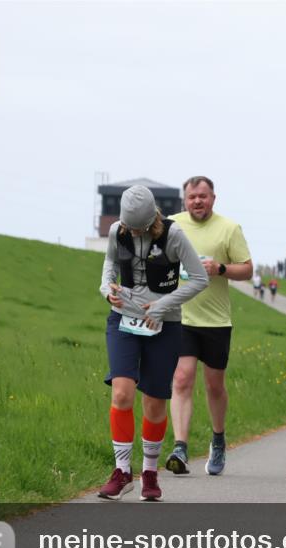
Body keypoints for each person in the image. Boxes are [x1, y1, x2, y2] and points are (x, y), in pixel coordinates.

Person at [97, 185, 209, 501]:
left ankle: (149, 472)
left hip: (165, 325)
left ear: (151, 219)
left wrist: (162, 306)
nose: (131, 232)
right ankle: (121, 472)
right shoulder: (117, 231)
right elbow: (108, 265)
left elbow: (199, 278)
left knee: (155, 401)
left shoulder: (173, 235)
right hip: (123, 320)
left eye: (138, 228)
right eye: (128, 227)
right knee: (121, 392)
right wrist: (107, 290)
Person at [165, 176, 253, 477]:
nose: (197, 202)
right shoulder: (171, 226)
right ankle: (180, 447)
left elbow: (248, 269)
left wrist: (221, 269)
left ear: (213, 198)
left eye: (203, 196)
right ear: (184, 200)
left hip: (216, 321)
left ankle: (218, 439)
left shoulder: (229, 229)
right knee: (181, 378)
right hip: (181, 318)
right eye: (192, 197)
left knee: (214, 386)